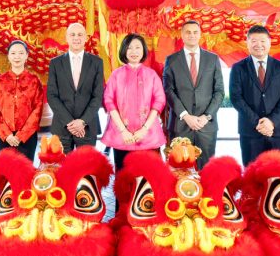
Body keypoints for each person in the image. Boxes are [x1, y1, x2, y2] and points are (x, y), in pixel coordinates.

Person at [229, 25, 280, 166]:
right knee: (252, 173)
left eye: (262, 41)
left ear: (269, 42)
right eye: (254, 41)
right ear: (247, 43)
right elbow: (236, 98)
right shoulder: (238, 68)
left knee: (277, 173)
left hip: (278, 130)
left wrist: (271, 121)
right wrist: (257, 123)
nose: (258, 45)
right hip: (250, 131)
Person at [162, 20, 224, 169]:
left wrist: (206, 116)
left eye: (195, 32)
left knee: (207, 171)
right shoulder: (172, 60)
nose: (192, 35)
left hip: (206, 126)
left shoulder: (213, 59)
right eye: (188, 32)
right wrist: (185, 116)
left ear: (200, 34)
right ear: (182, 35)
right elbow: (168, 90)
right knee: (180, 170)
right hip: (180, 125)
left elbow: (219, 91)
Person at [101, 33, 166, 171]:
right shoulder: (116, 75)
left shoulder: (152, 75)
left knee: (150, 176)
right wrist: (123, 131)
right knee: (123, 176)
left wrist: (144, 129)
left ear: (143, 50)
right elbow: (109, 101)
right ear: (124, 50)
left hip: (148, 135)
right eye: (129, 48)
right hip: (121, 136)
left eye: (138, 47)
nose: (134, 52)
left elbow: (159, 101)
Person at [47, 22, 105, 153]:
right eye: (72, 35)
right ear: (67, 38)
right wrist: (70, 122)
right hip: (62, 126)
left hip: (87, 127)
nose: (76, 38)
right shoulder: (55, 63)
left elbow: (97, 96)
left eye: (80, 34)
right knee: (62, 165)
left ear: (85, 38)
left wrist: (82, 121)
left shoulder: (97, 62)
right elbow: (52, 95)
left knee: (85, 165)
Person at [0, 39, 45, 161]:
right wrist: (7, 134)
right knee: (5, 169)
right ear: (8, 56)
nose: (17, 57)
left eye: (21, 53)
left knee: (26, 169)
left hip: (27, 137)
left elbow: (38, 109)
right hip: (5, 137)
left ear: (26, 56)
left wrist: (22, 135)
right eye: (13, 53)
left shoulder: (34, 81)